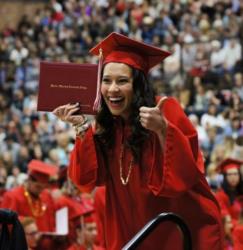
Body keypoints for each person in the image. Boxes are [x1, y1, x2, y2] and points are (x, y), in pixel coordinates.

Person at [53, 32, 223, 250]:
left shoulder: (163, 110)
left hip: (176, 231)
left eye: (122, 81)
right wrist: (81, 127)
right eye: (106, 80)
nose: (112, 89)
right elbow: (84, 182)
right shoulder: (108, 126)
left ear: (138, 85)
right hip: (133, 232)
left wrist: (162, 130)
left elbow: (185, 176)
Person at [1, 159, 58, 249]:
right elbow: (6, 224)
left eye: (43, 187)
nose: (40, 190)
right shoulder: (12, 196)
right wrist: (29, 228)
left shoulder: (46, 195)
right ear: (29, 180)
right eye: (38, 186)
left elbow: (52, 219)